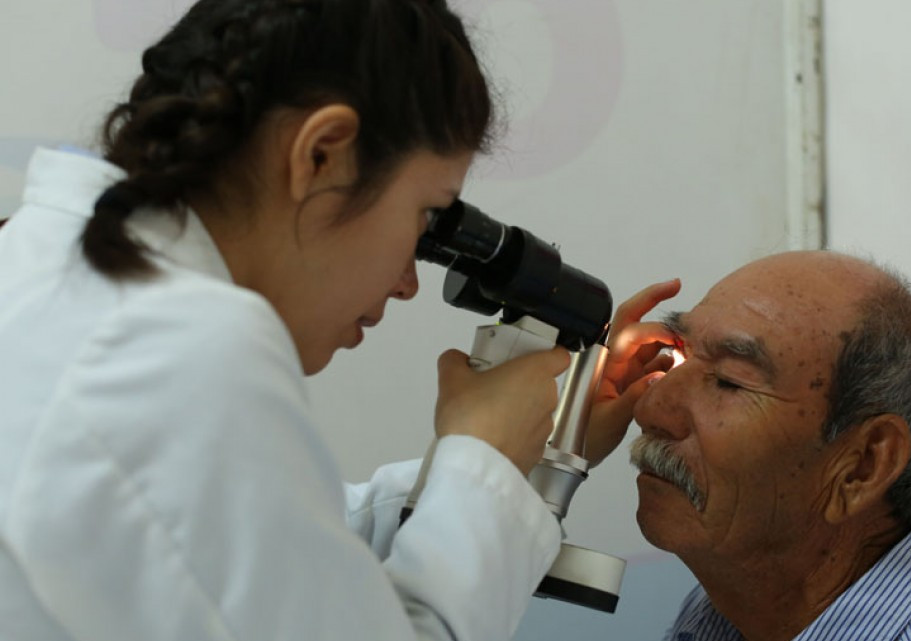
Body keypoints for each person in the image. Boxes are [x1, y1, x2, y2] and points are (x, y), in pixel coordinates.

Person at [0, 1, 663, 639]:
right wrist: (482, 459)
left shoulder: (58, 285)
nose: (408, 282)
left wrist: (511, 458)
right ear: (321, 153)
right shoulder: (173, 348)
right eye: (424, 218)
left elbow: (277, 552)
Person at [591, 251, 911, 641]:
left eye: (729, 380)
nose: (651, 407)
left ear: (862, 467)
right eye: (675, 357)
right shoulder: (727, 613)